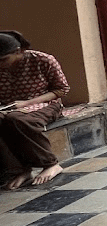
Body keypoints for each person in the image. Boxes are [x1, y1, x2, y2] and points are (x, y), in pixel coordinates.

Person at [0, 30, 70, 190]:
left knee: (17, 119)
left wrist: (28, 103)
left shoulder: (42, 60)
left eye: (4, 59)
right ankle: (20, 170)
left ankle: (51, 163)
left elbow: (61, 89)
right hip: (9, 107)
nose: (1, 65)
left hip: (46, 104)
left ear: (18, 51)